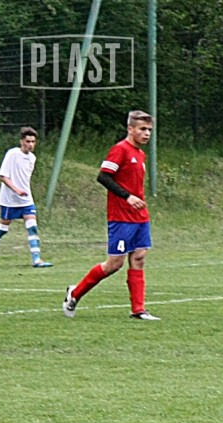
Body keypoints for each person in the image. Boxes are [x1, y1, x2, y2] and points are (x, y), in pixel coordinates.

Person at [63, 110, 159, 320]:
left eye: (149, 130)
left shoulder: (140, 154)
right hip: (121, 216)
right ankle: (75, 293)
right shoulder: (120, 150)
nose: (147, 134)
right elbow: (103, 177)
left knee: (139, 258)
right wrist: (127, 197)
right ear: (130, 129)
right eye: (142, 129)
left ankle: (138, 310)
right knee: (115, 263)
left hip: (140, 216)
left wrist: (137, 201)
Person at [0, 126, 53, 270]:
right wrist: (16, 190)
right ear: (21, 141)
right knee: (3, 228)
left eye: (33, 142)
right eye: (28, 141)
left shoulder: (32, 158)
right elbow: (3, 176)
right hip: (10, 200)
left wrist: (23, 192)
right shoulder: (12, 154)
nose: (30, 145)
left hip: (26, 200)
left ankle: (37, 259)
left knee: (32, 227)